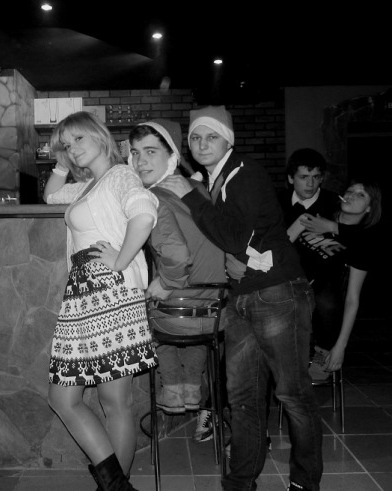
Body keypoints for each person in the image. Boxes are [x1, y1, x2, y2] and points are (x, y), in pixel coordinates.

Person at [159, 105, 323, 491]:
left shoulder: (244, 173)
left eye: (211, 136)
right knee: (243, 398)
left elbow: (234, 237)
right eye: (195, 137)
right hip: (243, 297)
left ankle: (304, 483)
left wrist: (190, 194)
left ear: (228, 140)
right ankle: (239, 483)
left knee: (292, 394)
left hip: (278, 293)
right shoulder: (217, 179)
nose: (202, 144)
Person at [44, 111, 159, 491]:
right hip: (85, 295)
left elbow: (144, 213)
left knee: (114, 401)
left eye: (78, 139)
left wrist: (121, 261)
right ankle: (117, 486)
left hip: (110, 291)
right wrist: (63, 162)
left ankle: (113, 486)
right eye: (66, 144)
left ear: (99, 135)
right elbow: (50, 195)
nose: (72, 148)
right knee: (65, 398)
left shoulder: (120, 175)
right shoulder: (89, 185)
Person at [127, 119, 227, 440]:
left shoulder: (153, 197)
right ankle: (193, 389)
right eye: (135, 153)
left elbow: (177, 255)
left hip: (177, 316)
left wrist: (167, 283)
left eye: (150, 152)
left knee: (137, 311)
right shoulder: (198, 189)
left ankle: (172, 390)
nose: (140, 161)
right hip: (216, 311)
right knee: (182, 318)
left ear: (171, 156)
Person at [297, 179, 382, 379]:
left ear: (369, 208)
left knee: (329, 285)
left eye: (360, 194)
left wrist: (340, 346)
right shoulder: (320, 215)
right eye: (349, 191)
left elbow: (352, 298)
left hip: (323, 300)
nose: (351, 195)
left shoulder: (363, 243)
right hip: (291, 289)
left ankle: (323, 348)